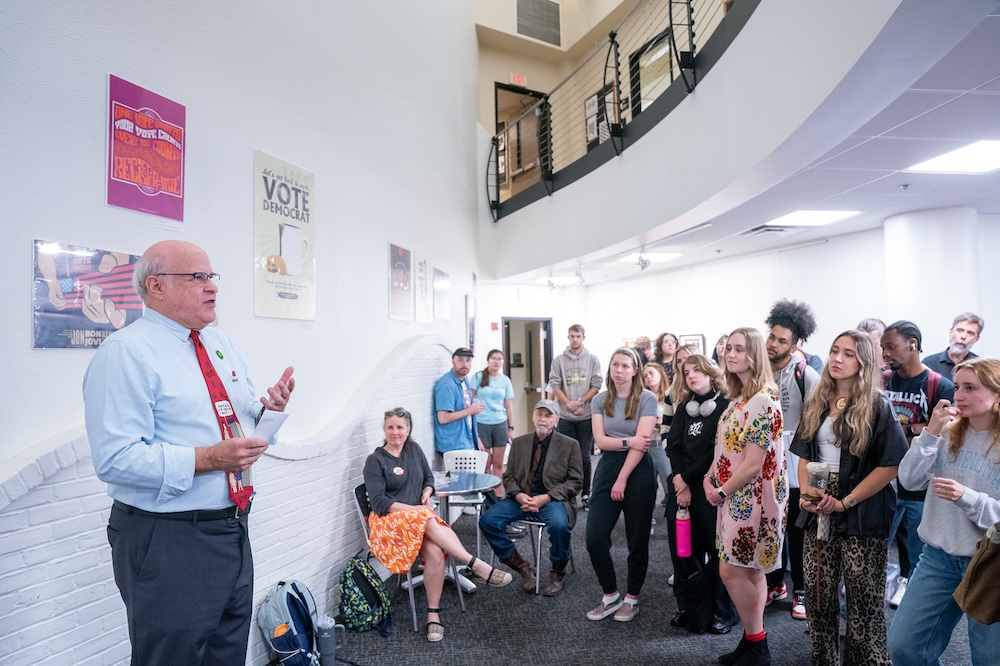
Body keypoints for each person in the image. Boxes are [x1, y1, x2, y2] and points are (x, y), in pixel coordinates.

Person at [83, 240, 296, 665]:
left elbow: (231, 420)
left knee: (226, 654)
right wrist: (209, 459)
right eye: (196, 277)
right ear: (156, 286)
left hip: (232, 529)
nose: (211, 287)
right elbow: (115, 459)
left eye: (211, 276)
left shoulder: (218, 344)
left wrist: (266, 411)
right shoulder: (126, 353)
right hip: (168, 539)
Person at [791, 331, 908, 666]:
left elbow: (891, 466)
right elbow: (803, 456)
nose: (838, 359)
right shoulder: (817, 400)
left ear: (864, 363)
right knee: (818, 599)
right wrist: (807, 498)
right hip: (818, 512)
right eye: (834, 351)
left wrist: (846, 502)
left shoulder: (877, 407)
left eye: (849, 354)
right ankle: (824, 660)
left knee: (864, 605)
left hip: (862, 511)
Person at [364, 407, 512, 642]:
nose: (395, 432)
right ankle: (475, 564)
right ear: (384, 429)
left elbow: (428, 477)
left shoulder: (413, 449)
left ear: (408, 429)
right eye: (390, 427)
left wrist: (427, 491)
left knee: (434, 552)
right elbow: (380, 502)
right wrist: (415, 509)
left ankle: (433, 617)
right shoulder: (375, 460)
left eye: (400, 427)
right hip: (389, 523)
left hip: (417, 519)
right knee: (428, 518)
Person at [887, 358, 1000, 665]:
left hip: (991, 564)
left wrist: (969, 498)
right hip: (938, 558)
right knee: (904, 648)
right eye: (958, 385)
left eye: (970, 388)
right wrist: (930, 433)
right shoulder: (946, 433)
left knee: (990, 658)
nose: (957, 394)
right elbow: (908, 480)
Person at [703, 327, 787, 666]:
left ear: (754, 354)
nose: (730, 354)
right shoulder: (738, 399)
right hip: (733, 497)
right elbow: (726, 448)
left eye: (740, 349)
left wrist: (721, 490)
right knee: (750, 572)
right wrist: (710, 478)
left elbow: (753, 463)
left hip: (751, 501)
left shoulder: (763, 399)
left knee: (732, 572)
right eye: (728, 349)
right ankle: (753, 642)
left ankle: (758, 643)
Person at [881, 320, 955, 607]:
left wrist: (910, 430)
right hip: (884, 475)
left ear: (912, 344)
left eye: (891, 346)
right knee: (878, 542)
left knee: (916, 546)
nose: (885, 353)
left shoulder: (939, 384)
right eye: (883, 347)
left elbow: (948, 426)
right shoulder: (883, 380)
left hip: (920, 482)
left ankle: (908, 582)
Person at [479, 399, 583, 596]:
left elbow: (576, 482)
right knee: (487, 521)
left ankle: (558, 571)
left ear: (556, 420)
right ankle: (522, 567)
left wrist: (546, 497)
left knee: (560, 526)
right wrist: (518, 495)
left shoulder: (570, 445)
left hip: (552, 500)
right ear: (533, 417)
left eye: (548, 415)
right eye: (540, 414)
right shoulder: (519, 443)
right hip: (521, 499)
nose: (543, 419)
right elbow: (508, 476)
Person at [585, 347, 659, 622]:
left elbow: (644, 445)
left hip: (638, 469)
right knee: (594, 538)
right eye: (615, 365)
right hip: (607, 467)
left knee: (636, 539)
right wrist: (627, 441)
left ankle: (632, 598)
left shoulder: (647, 399)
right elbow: (601, 442)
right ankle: (610, 596)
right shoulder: (600, 400)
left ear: (635, 370)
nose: (619, 370)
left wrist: (623, 477)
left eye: (625, 366)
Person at [666, 354, 737, 635]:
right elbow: (673, 445)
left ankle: (723, 611)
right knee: (682, 551)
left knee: (717, 552)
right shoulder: (684, 408)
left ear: (710, 372)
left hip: (710, 489)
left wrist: (686, 478)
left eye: (697, 370)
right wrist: (679, 481)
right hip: (681, 489)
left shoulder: (724, 407)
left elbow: (715, 452)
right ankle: (689, 607)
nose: (691, 375)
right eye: (686, 371)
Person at [763, 299, 821, 618]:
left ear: (796, 343)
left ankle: (800, 591)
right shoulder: (758, 370)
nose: (773, 344)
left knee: (797, 532)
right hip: (763, 461)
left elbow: (815, 425)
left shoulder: (805, 373)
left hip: (795, 462)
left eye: (782, 340)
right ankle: (775, 583)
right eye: (772, 337)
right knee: (771, 524)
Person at [547, 324, 603, 508]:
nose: (575, 339)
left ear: (583, 337)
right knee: (566, 457)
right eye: (572, 336)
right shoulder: (558, 360)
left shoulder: (593, 360)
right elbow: (555, 384)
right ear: (568, 337)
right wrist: (568, 404)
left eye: (578, 336)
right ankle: (567, 493)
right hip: (566, 417)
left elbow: (596, 384)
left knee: (585, 456)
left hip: (586, 416)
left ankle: (586, 493)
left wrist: (579, 402)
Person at [471, 349, 515, 492]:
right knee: (486, 462)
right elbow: (469, 401)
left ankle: (499, 495)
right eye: (494, 358)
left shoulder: (505, 380)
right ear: (488, 360)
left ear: (503, 362)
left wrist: (511, 428)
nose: (496, 361)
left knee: (498, 463)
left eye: (499, 359)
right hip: (481, 422)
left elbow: (509, 406)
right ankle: (486, 495)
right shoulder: (478, 377)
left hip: (500, 423)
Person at [433, 347, 483, 470]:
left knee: (470, 483)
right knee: (460, 485)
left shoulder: (464, 380)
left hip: (466, 442)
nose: (464, 364)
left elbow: (468, 420)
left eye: (468, 360)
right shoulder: (446, 385)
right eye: (460, 360)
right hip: (453, 446)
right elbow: (443, 418)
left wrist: (477, 439)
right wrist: (469, 411)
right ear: (453, 362)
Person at [642, 362, 674, 506]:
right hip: (646, 443)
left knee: (668, 478)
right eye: (645, 376)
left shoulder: (670, 396)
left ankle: (672, 501)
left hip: (662, 443)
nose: (648, 377)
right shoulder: (642, 398)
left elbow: (675, 422)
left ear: (661, 374)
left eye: (651, 373)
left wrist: (661, 423)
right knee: (647, 483)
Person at [922, 312, 985, 379]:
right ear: (951, 332)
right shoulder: (929, 363)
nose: (963, 336)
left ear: (977, 339)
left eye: (970, 333)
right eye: (959, 330)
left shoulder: (981, 367)